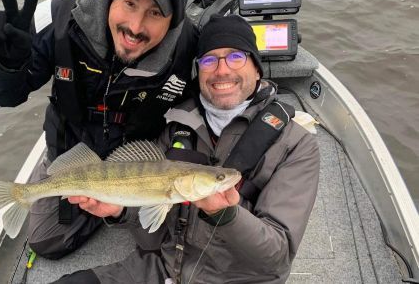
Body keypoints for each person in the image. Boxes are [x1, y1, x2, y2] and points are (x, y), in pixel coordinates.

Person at [58, 14, 320, 284]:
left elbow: (275, 257)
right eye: (209, 60)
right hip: (165, 268)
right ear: (198, 71)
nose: (221, 70)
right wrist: (120, 211)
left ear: (256, 68)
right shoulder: (175, 126)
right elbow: (154, 239)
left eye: (236, 57)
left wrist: (226, 215)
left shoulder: (296, 144)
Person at [0, 0, 198, 259]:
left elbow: (212, 95)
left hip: (144, 160)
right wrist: (5, 64)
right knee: (47, 242)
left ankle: (118, 208)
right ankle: (107, 205)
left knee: (178, 240)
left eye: (155, 13)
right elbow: (4, 96)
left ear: (173, 22)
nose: (135, 26)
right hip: (72, 152)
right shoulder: (58, 17)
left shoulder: (189, 47)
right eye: (130, 3)